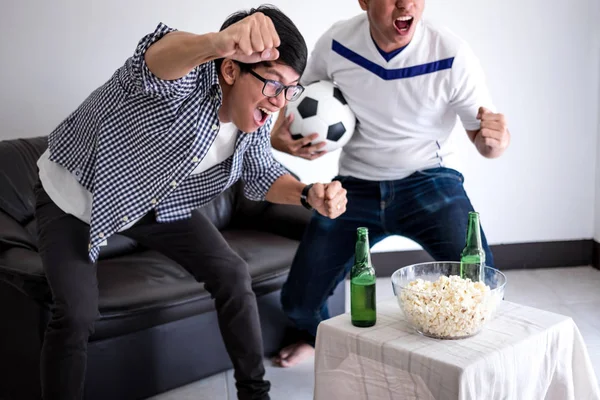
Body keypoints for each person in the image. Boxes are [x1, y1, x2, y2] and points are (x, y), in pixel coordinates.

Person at [34, 5, 348, 400]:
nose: (278, 103)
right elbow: (154, 57)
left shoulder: (250, 122)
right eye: (272, 84)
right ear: (230, 70)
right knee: (76, 315)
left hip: (150, 197)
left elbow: (262, 173)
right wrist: (218, 44)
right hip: (76, 195)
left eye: (289, 89)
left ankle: (255, 393)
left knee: (232, 273)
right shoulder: (183, 82)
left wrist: (308, 194)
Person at [272, 0, 510, 367]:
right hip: (356, 186)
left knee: (484, 287)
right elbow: (291, 96)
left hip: (431, 181)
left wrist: (496, 142)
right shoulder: (337, 42)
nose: (406, 4)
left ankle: (472, 362)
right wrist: (280, 135)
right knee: (297, 302)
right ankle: (315, 338)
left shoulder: (451, 53)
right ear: (364, 1)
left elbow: (486, 139)